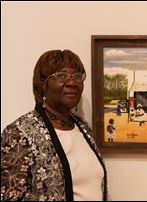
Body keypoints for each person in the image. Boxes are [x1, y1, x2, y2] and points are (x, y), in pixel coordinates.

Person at [1, 50, 108, 201]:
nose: (72, 82)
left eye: (77, 76)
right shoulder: (20, 133)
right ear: (43, 83)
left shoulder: (83, 128)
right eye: (61, 76)